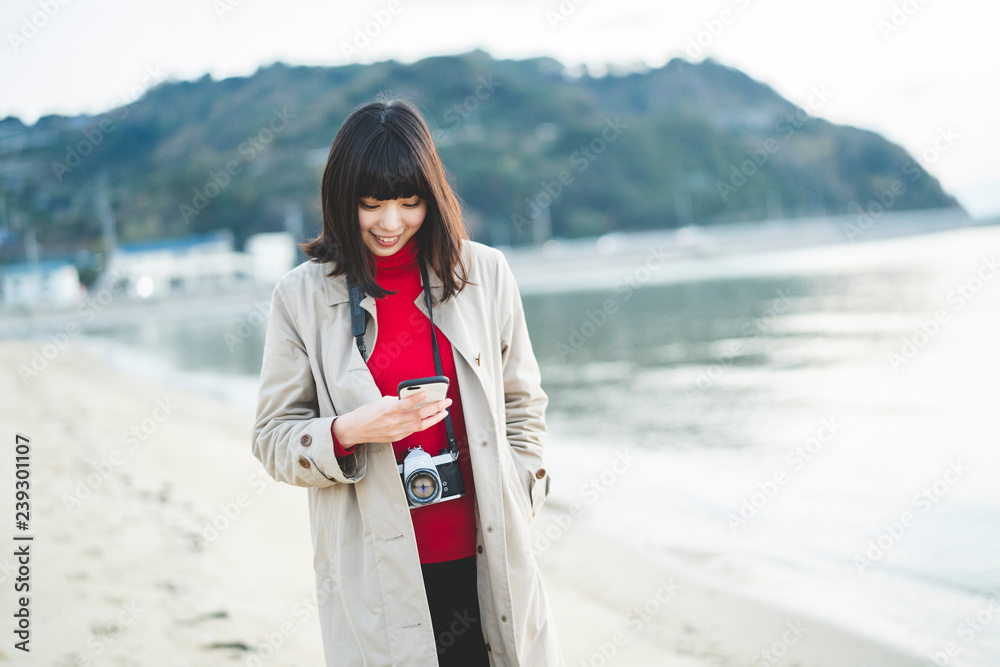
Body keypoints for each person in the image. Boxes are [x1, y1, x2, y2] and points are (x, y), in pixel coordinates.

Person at [251, 96, 564, 666]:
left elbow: (523, 404)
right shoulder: (300, 297)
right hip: (376, 576)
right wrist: (349, 431)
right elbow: (272, 438)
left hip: (490, 561)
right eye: (371, 205)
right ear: (342, 199)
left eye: (409, 202)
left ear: (432, 197)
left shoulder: (484, 274)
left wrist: (520, 491)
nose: (391, 223)